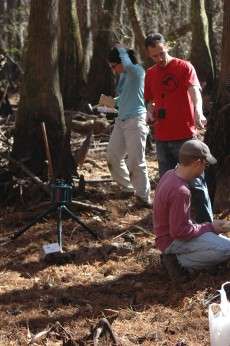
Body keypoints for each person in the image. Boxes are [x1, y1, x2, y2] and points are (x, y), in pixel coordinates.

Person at [144, 32, 212, 222]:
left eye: (161, 53)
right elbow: (150, 101)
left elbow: (195, 92)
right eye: (154, 56)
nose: (159, 59)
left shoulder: (184, 67)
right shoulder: (150, 74)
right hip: (162, 137)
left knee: (196, 184)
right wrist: (150, 112)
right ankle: (174, 227)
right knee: (168, 185)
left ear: (167, 47)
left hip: (185, 136)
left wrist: (198, 112)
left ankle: (207, 227)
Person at [154, 139, 230, 274]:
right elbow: (179, 232)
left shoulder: (170, 174)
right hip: (171, 241)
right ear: (197, 163)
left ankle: (177, 257)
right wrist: (210, 227)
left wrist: (209, 228)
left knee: (225, 243)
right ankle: (178, 262)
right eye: (205, 165)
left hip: (166, 236)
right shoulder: (181, 191)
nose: (204, 169)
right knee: (227, 250)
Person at [107, 45, 151, 207]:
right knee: (112, 156)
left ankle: (143, 197)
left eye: (114, 66)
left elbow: (128, 66)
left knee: (135, 161)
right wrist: (109, 104)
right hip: (121, 121)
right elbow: (124, 97)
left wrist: (121, 50)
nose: (113, 70)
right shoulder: (124, 76)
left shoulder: (136, 71)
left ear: (122, 62)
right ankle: (127, 187)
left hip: (136, 121)